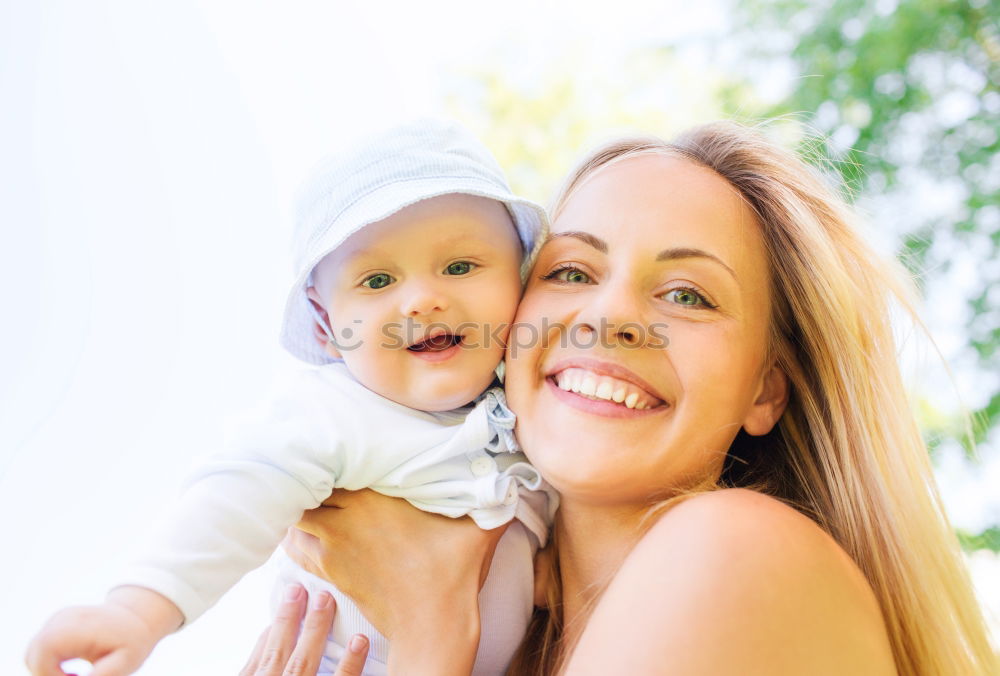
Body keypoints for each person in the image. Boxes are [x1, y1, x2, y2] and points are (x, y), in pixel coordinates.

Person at [249, 121, 998, 675]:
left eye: (687, 294)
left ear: (765, 391)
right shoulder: (526, 641)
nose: (607, 318)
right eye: (572, 272)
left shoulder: (733, 548)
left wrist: (432, 637)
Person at [25, 119, 558, 676]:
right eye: (377, 281)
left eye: (460, 266)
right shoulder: (334, 411)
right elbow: (237, 495)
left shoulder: (536, 419)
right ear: (326, 324)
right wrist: (138, 611)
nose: (423, 299)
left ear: (520, 282)